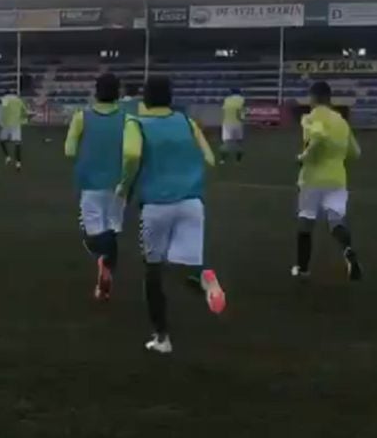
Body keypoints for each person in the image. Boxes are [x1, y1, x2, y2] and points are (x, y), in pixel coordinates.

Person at [118, 75, 225, 355]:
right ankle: (206, 281)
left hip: (157, 205)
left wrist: (124, 185)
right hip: (191, 202)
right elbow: (210, 158)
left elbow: (130, 155)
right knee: (182, 264)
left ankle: (162, 338)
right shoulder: (186, 121)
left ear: (146, 97)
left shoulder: (136, 123)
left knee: (153, 271)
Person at [294, 81, 364, 281]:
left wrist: (303, 157)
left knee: (306, 222)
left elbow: (318, 138)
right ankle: (348, 251)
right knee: (337, 222)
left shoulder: (310, 118)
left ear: (314, 98)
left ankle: (302, 268)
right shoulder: (341, 121)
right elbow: (355, 152)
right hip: (337, 178)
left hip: (312, 179)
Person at [64, 73, 125, 301]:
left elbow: (69, 150)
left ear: (96, 91)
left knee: (92, 234)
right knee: (111, 230)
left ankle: (102, 260)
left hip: (90, 183)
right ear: (117, 92)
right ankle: (106, 277)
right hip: (119, 183)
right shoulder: (127, 118)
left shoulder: (82, 117)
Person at [0, 90, 29, 171]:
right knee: (17, 143)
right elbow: (24, 112)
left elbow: (3, 110)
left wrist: (1, 121)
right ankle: (18, 163)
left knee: (2, 141)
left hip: (7, 123)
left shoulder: (5, 99)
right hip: (16, 123)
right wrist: (25, 118)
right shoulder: (19, 100)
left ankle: (7, 157)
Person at [220, 88, 247, 164]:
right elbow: (243, 112)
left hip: (227, 123)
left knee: (226, 143)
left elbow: (224, 109)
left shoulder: (226, 100)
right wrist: (243, 119)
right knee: (239, 142)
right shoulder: (242, 100)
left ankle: (223, 160)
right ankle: (238, 160)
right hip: (238, 123)